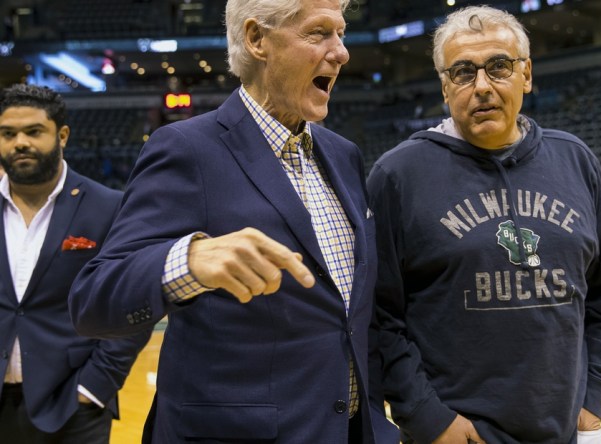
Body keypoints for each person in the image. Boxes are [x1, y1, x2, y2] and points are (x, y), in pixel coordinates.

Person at [68, 1, 398, 443]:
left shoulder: (343, 154)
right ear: (257, 39)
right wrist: (187, 260)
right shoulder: (186, 149)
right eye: (319, 33)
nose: (341, 52)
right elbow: (94, 298)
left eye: (340, 33)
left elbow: (352, 317)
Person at [367, 6, 601, 443]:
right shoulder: (398, 175)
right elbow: (380, 315)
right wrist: (427, 417)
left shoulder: (575, 160)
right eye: (463, 72)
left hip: (567, 430)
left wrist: (592, 401)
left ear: (526, 75)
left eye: (498, 67)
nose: (483, 87)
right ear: (444, 86)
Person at [0, 84, 151, 442]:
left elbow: (135, 304)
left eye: (34, 131)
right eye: (8, 134)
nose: (20, 142)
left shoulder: (108, 207)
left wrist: (95, 387)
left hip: (72, 405)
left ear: (62, 135)